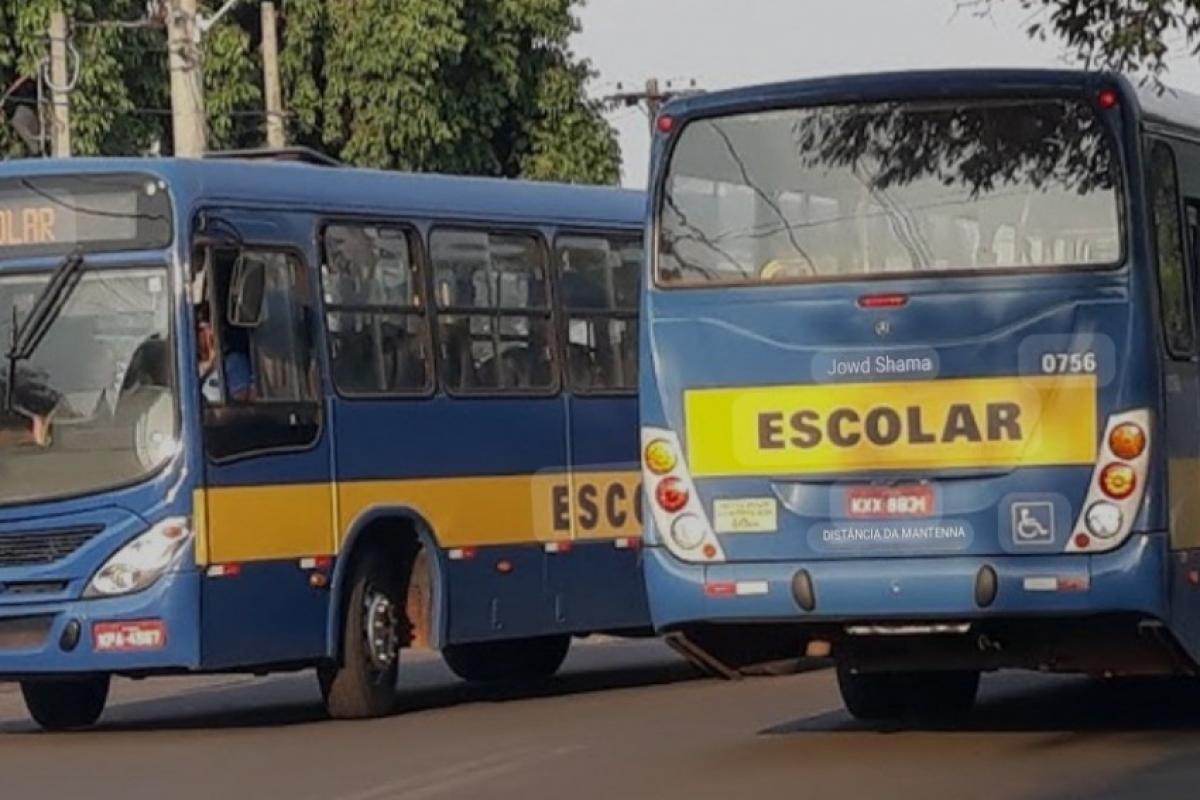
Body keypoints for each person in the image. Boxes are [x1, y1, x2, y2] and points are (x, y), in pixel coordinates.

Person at [197, 308, 253, 403]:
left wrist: (215, 362)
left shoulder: (234, 361)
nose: (206, 334)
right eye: (200, 330)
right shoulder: (189, 367)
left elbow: (240, 401)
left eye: (209, 329)